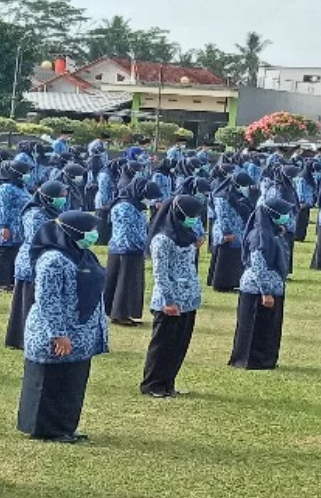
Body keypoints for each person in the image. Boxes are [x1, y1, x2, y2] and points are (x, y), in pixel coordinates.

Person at [18, 211, 109, 444]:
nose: (93, 235)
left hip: (80, 334)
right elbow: (48, 301)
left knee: (71, 382)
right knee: (51, 382)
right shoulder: (53, 260)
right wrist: (58, 334)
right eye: (89, 230)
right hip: (57, 334)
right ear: (74, 231)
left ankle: (65, 426)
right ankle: (47, 428)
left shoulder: (82, 254)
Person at [140, 195, 204, 398]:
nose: (194, 219)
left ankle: (168, 382)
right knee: (163, 345)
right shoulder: (162, 239)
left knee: (178, 345)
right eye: (191, 216)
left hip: (188, 299)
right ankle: (153, 384)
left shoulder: (186, 234)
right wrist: (169, 301)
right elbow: (160, 273)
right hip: (169, 301)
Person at [229, 198, 293, 370]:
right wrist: (265, 292)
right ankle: (249, 360)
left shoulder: (274, 231)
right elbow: (258, 265)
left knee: (269, 327)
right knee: (253, 326)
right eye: (283, 213)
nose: (286, 217)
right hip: (257, 289)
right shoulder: (259, 235)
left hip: (274, 286)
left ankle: (266, 359)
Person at [7, 179, 66, 349]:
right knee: (27, 301)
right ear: (49, 196)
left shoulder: (52, 210)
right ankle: (21, 338)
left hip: (43, 258)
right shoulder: (35, 214)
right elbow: (38, 239)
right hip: (32, 261)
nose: (63, 198)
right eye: (61, 195)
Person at [105, 177, 163, 326]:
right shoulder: (125, 206)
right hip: (125, 250)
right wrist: (141, 245)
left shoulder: (135, 205)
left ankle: (122, 313)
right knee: (125, 284)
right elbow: (126, 232)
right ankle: (119, 314)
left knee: (130, 284)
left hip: (133, 249)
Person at [0, 160, 34, 291]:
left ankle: (10, 280)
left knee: (13, 253)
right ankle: (0, 283)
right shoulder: (5, 188)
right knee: (3, 254)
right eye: (25, 172)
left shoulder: (20, 186)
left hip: (17, 226)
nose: (28, 175)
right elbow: (3, 208)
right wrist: (4, 226)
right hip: (6, 225)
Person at [208, 171, 253, 293]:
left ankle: (231, 283)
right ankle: (222, 285)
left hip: (237, 231)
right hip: (226, 233)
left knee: (232, 259)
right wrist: (226, 232)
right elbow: (222, 216)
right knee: (224, 260)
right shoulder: (222, 196)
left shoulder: (235, 194)